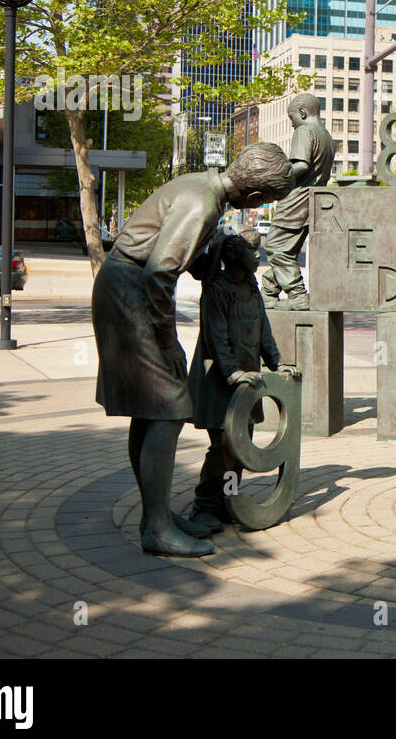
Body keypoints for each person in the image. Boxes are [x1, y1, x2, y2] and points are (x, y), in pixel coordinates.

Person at [91, 143, 294, 557]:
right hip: (130, 294)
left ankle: (157, 513)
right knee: (171, 406)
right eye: (267, 202)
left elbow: (190, 265)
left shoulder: (203, 190)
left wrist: (212, 249)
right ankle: (158, 528)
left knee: (151, 408)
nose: (261, 208)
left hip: (122, 288)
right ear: (255, 197)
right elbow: (160, 272)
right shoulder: (203, 204)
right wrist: (168, 343)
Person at [186, 230, 295, 533]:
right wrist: (232, 372)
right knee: (223, 445)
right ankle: (204, 505)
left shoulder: (250, 288)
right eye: (251, 251)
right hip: (219, 381)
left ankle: (229, 499)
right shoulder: (217, 289)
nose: (257, 254)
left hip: (247, 381)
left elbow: (263, 332)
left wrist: (278, 362)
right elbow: (216, 337)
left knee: (240, 447)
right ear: (235, 256)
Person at [260, 93, 335, 311]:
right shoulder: (326, 136)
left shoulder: (305, 131)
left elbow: (301, 165)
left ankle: (297, 294)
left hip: (297, 199)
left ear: (302, 113)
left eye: (292, 118)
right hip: (313, 200)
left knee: (274, 246)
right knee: (288, 250)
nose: (292, 124)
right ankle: (268, 292)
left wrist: (277, 177)